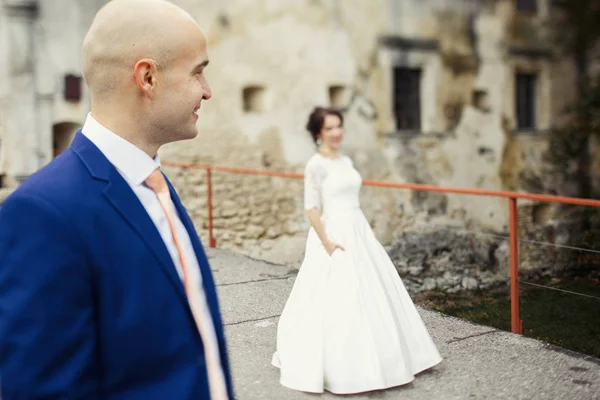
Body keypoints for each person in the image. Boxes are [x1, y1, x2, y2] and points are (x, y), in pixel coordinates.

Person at [0, 1, 234, 399]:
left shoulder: (152, 181)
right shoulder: (42, 214)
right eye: (198, 72)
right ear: (148, 78)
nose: (207, 91)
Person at [272, 107, 442, 394]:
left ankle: (391, 357)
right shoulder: (316, 165)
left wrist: (367, 229)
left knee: (375, 292)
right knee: (340, 296)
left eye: (339, 126)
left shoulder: (346, 161)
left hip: (358, 229)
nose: (337, 132)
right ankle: (347, 368)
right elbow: (311, 208)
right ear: (318, 134)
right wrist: (326, 241)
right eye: (330, 128)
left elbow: (352, 199)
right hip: (333, 234)